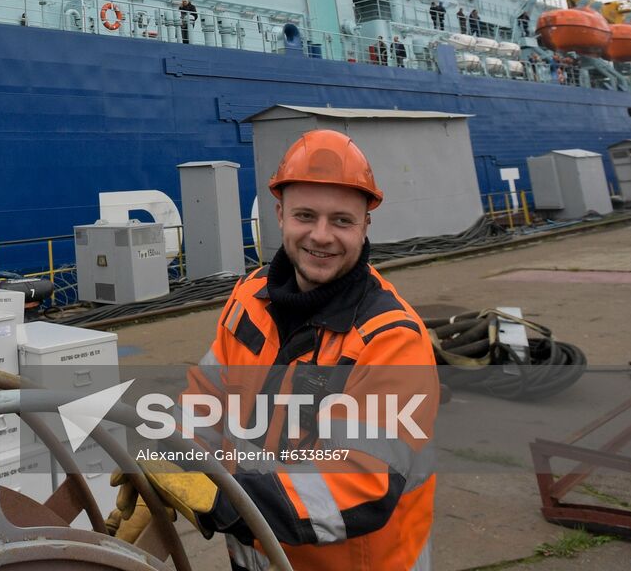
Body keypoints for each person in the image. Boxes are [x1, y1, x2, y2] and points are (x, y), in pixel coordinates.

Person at [111, 130, 438, 570]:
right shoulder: (249, 297)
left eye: (342, 220)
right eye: (306, 215)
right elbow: (206, 402)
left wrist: (219, 497)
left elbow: (362, 485)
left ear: (365, 226)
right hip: (254, 558)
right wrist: (167, 464)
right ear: (280, 214)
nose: (321, 236)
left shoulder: (392, 339)